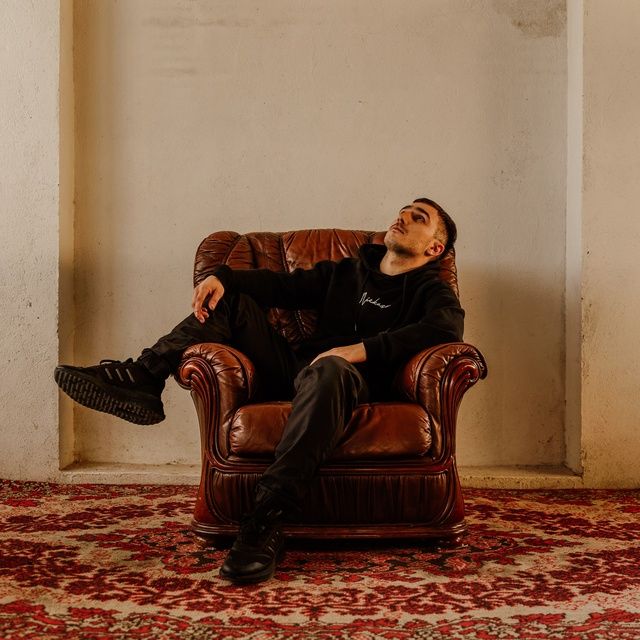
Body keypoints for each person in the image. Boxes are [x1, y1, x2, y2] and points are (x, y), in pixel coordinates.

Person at [54, 197, 464, 584]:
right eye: (404, 210)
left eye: (419, 218)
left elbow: (445, 329)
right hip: (295, 371)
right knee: (231, 301)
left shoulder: (431, 291)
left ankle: (265, 518)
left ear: (434, 248)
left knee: (332, 369)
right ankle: (145, 376)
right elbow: (279, 286)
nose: (403, 217)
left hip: (348, 386)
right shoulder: (346, 272)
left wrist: (357, 351)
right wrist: (224, 277)